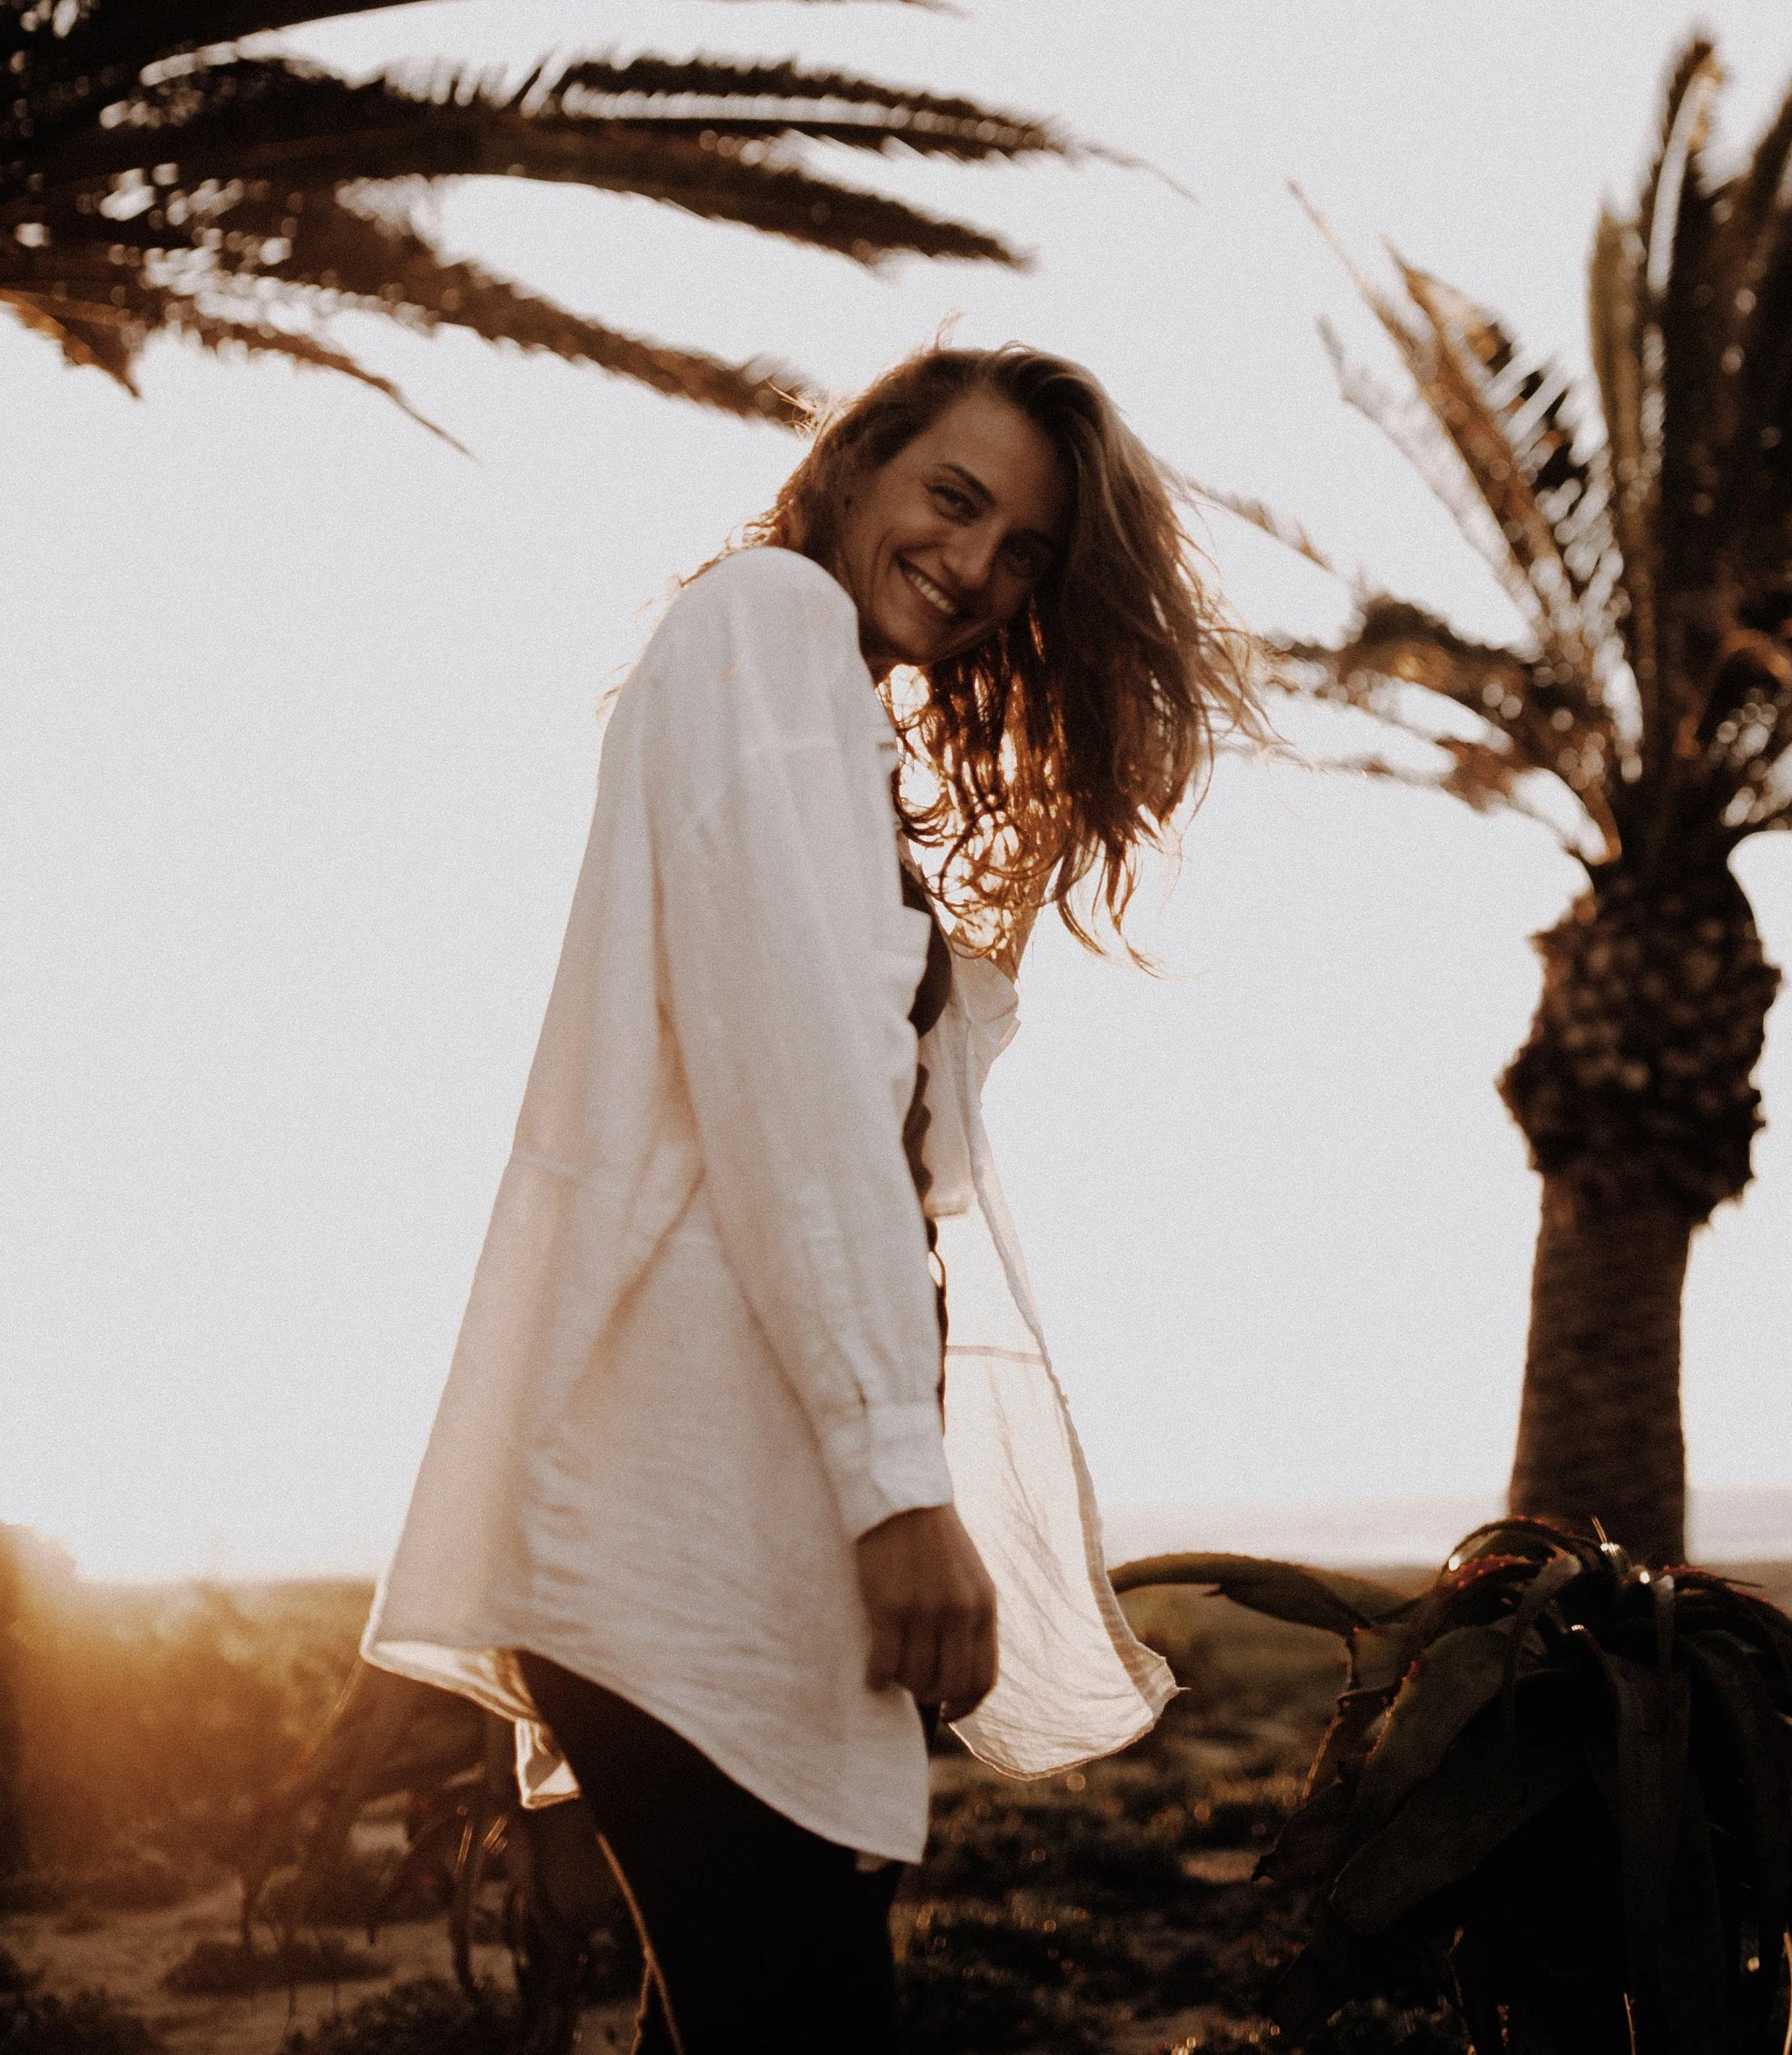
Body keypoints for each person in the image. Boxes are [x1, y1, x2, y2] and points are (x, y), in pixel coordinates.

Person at [360, 343, 1253, 2051]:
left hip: (708, 1520)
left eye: (1027, 556)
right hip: (720, 1510)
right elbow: (797, 1094)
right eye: (954, 499)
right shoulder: (768, 624)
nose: (979, 568)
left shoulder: (781, 679)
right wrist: (893, 1487)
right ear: (856, 461)